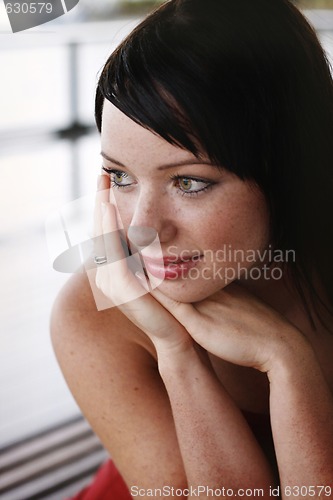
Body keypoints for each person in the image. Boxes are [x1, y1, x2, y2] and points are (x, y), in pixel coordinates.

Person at [51, 0, 333, 498]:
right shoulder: (92, 312)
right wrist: (176, 352)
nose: (142, 227)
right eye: (120, 176)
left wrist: (289, 364)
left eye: (189, 182)